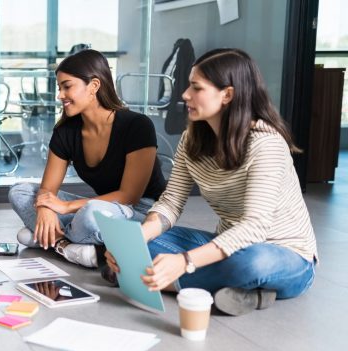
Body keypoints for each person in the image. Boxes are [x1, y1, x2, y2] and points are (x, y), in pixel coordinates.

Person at [105, 48, 317, 316]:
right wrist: (134, 243)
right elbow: (170, 203)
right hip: (227, 244)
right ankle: (243, 293)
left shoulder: (266, 144)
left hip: (285, 256)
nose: (184, 95)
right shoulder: (190, 140)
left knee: (251, 263)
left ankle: (154, 280)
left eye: (196, 87)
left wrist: (185, 261)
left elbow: (254, 228)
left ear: (227, 95)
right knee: (132, 232)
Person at [9, 49, 166, 268]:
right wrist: (45, 209)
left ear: (93, 86)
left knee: (91, 214)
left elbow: (129, 195)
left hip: (141, 212)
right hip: (102, 207)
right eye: (59, 88)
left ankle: (50, 238)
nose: (60, 95)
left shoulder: (137, 125)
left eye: (67, 86)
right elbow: (47, 190)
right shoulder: (66, 131)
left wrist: (65, 207)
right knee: (20, 192)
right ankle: (69, 244)